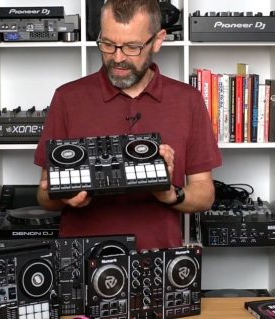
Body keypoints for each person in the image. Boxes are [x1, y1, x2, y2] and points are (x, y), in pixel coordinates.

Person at [34, 0, 222, 250]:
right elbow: (44, 195)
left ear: (158, 40)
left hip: (158, 263)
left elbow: (205, 194)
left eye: (132, 47)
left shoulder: (188, 100)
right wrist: (65, 197)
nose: (118, 57)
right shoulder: (67, 98)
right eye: (108, 44)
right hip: (83, 265)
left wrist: (170, 194)